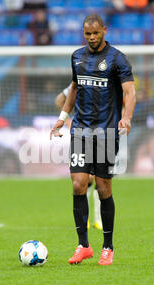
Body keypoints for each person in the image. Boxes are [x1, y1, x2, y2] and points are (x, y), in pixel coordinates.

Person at [50, 14, 136, 266]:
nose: (92, 38)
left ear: (104, 31)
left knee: (103, 188)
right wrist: (62, 117)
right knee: (78, 184)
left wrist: (127, 117)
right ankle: (83, 245)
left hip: (107, 132)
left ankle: (107, 247)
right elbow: (74, 89)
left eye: (96, 33)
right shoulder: (77, 56)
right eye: (88, 34)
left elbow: (130, 91)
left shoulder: (117, 59)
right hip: (80, 130)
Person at [54, 83, 103, 231]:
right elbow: (59, 100)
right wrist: (68, 121)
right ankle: (88, 218)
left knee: (99, 177)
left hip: (102, 132)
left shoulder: (107, 78)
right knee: (84, 177)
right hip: (82, 133)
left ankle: (97, 220)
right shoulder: (81, 79)